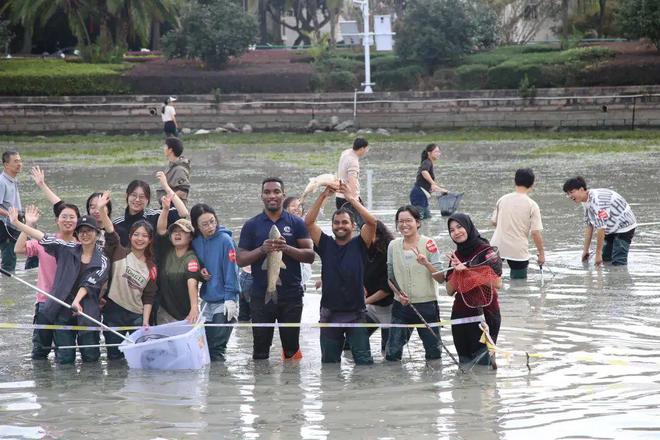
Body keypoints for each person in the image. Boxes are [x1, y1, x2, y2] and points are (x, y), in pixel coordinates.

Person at [9, 207, 108, 364]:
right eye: (81, 231)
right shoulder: (66, 248)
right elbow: (41, 237)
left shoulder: (102, 259)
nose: (85, 234)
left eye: (89, 231)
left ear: (96, 233)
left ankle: (91, 388)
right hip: (61, 309)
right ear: (77, 234)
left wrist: (77, 301)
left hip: (87, 312)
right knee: (65, 358)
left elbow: (91, 282)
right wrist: (18, 224)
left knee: (91, 357)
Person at [237, 177, 315, 360]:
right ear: (262, 196)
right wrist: (261, 250)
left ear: (283, 195)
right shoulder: (251, 225)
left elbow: (310, 256)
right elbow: (240, 259)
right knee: (260, 351)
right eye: (267, 192)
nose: (272, 196)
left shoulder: (296, 223)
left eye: (276, 192)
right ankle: (263, 387)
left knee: (291, 349)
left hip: (291, 295)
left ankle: (292, 385)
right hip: (260, 295)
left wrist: (286, 248)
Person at [305, 181, 376, 365]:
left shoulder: (360, 244)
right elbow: (309, 222)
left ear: (353, 226)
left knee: (364, 365)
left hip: (356, 313)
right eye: (336, 223)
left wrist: (351, 199)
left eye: (345, 222)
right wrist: (323, 196)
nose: (340, 226)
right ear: (332, 226)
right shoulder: (326, 244)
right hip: (330, 314)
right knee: (329, 365)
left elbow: (371, 222)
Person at [96, 192, 158, 360]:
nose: (140, 239)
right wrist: (102, 209)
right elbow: (110, 231)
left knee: (139, 358)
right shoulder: (118, 251)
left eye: (145, 236)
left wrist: (145, 321)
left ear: (150, 240)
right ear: (130, 237)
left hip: (137, 317)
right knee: (114, 359)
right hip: (113, 313)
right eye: (136, 234)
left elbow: (149, 296)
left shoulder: (151, 266)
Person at [14, 203, 80, 360]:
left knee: (66, 355)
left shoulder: (81, 245)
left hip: (66, 304)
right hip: (44, 302)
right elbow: (18, 249)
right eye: (64, 217)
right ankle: (42, 384)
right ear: (57, 220)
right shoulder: (45, 240)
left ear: (78, 221)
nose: (68, 220)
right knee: (40, 351)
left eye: (72, 217)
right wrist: (28, 225)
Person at [386, 205, 445, 362]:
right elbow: (390, 277)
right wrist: (399, 294)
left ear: (418, 223)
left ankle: (432, 385)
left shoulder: (429, 244)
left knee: (434, 354)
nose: (404, 225)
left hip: (427, 306)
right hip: (401, 305)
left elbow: (441, 278)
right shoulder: (393, 246)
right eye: (400, 221)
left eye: (408, 220)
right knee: (392, 353)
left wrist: (426, 263)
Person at [446, 213, 502, 366]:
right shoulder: (455, 255)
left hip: (486, 314)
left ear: (468, 227)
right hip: (460, 314)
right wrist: (457, 272)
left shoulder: (486, 251)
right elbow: (449, 291)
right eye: (451, 230)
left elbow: (497, 283)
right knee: (464, 363)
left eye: (459, 227)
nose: (456, 232)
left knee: (484, 365)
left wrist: (468, 270)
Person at [190, 203, 241, 361]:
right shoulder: (196, 241)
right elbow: (195, 264)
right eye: (204, 224)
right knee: (205, 347)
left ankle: (220, 384)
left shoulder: (225, 240)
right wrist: (200, 271)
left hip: (225, 301)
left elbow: (232, 270)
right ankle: (211, 383)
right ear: (196, 226)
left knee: (217, 349)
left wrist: (230, 298)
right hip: (206, 301)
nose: (210, 226)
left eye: (212, 221)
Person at [563, 176, 637, 266]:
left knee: (619, 261)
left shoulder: (598, 201)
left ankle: (620, 277)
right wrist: (585, 251)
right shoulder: (585, 201)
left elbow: (600, 229)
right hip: (611, 227)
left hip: (625, 226)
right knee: (606, 258)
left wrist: (598, 255)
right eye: (568, 193)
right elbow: (589, 226)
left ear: (581, 189)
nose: (570, 196)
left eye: (571, 192)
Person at [30, 166, 112, 246]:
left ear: (108, 209)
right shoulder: (80, 225)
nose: (96, 211)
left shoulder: (116, 228)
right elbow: (59, 205)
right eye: (92, 207)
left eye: (100, 207)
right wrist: (42, 185)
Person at [155, 188, 201, 325]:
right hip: (164, 310)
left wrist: (194, 308)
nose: (177, 234)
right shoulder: (166, 250)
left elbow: (192, 282)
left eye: (183, 231)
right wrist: (165, 209)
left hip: (184, 314)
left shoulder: (191, 258)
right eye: (175, 231)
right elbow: (161, 229)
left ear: (191, 236)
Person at [490, 168, 545, 279]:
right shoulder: (532, 205)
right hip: (518, 251)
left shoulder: (502, 199)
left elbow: (494, 222)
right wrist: (541, 254)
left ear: (514, 181)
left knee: (492, 282)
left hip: (496, 247)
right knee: (519, 285)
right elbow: (535, 233)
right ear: (532, 184)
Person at [112, 178, 180, 247]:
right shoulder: (117, 223)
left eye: (142, 197)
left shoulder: (155, 215)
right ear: (127, 196)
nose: (137, 200)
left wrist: (166, 187)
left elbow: (182, 213)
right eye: (134, 195)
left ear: (147, 199)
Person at [1, 150, 37, 272]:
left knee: (35, 250)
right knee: (9, 264)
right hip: (6, 226)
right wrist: (11, 215)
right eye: (15, 161)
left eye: (20, 161)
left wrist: (23, 217)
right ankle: (7, 288)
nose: (19, 164)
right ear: (6, 165)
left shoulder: (12, 179)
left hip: (16, 224)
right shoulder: (1, 182)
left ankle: (29, 278)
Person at [364, 220, 395, 353]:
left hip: (389, 309)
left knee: (388, 353)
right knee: (349, 343)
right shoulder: (363, 251)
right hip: (371, 310)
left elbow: (386, 289)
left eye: (369, 234)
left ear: (379, 235)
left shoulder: (388, 253)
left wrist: (363, 302)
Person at [335, 138, 369, 227]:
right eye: (366, 149)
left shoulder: (345, 153)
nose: (366, 151)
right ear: (362, 149)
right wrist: (354, 199)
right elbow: (352, 180)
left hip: (339, 195)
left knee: (346, 225)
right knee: (364, 225)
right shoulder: (353, 161)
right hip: (348, 198)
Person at [409, 144, 448, 219]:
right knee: (419, 220)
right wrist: (433, 183)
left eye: (439, 152)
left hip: (423, 196)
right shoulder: (427, 162)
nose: (438, 154)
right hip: (418, 195)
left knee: (427, 219)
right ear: (429, 153)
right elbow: (424, 172)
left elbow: (429, 187)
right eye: (436, 151)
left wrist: (441, 190)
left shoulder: (429, 163)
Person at [156, 137, 191, 205]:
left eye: (165, 147)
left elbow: (183, 191)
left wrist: (167, 200)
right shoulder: (171, 166)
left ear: (170, 150)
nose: (163, 149)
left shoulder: (180, 169)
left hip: (175, 209)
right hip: (168, 207)